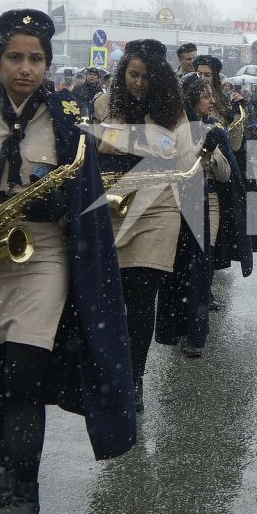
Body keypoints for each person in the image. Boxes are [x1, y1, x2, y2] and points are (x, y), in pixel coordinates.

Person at [0, 9, 137, 514]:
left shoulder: (68, 117)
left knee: (25, 374)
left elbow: (89, 187)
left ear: (47, 63)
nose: (27, 68)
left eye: (36, 58)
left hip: (42, 252)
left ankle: (26, 492)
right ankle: (4, 460)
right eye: (16, 57)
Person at [93, 40, 189, 412]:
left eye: (146, 76)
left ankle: (134, 378)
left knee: (141, 292)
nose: (138, 83)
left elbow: (179, 157)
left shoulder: (175, 113)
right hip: (112, 207)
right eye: (133, 74)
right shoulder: (105, 105)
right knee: (113, 298)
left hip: (158, 207)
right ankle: (114, 372)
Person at [157, 74, 233, 358]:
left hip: (206, 203)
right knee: (175, 270)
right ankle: (175, 327)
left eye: (212, 95)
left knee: (199, 269)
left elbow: (225, 175)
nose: (212, 101)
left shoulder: (212, 128)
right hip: (173, 203)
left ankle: (196, 335)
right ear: (191, 99)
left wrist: (212, 152)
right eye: (205, 96)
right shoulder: (173, 128)